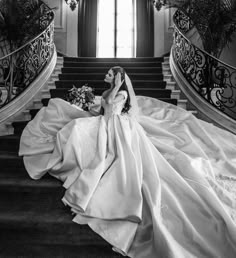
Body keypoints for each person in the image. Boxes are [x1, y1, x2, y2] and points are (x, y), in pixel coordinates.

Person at [19, 66, 236, 258]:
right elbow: (102, 108)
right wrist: (86, 104)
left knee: (90, 140)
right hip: (104, 122)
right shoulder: (108, 90)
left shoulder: (120, 92)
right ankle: (68, 157)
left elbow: (112, 104)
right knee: (73, 129)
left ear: (118, 78)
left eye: (110, 73)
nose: (106, 75)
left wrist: (117, 85)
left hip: (116, 127)